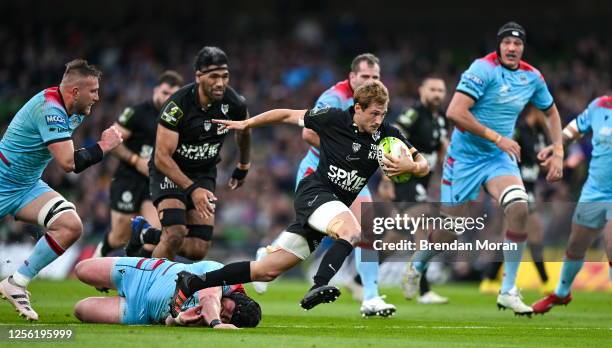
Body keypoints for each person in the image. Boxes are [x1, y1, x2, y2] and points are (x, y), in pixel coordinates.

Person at [168, 80, 429, 317]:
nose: (378, 119)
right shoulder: (332, 118)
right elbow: (286, 114)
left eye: (383, 113)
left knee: (265, 271)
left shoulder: (387, 134)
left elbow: (423, 162)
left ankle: (192, 282)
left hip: (332, 207)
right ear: (357, 108)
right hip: (314, 193)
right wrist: (248, 124)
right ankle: (320, 284)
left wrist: (412, 168)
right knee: (352, 231)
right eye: (374, 113)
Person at [401, 21, 564, 316]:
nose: (512, 48)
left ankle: (508, 290)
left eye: (518, 44)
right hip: (464, 158)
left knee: (518, 208)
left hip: (498, 159)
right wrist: (498, 137)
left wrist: (559, 152)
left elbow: (551, 112)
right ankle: (419, 263)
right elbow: (454, 112)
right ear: (499, 46)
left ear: (523, 48)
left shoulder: (532, 77)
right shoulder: (482, 69)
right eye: (507, 43)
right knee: (452, 230)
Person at [253, 53, 397, 317]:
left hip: (350, 175)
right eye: (365, 76)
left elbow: (384, 144)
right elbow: (308, 132)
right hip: (320, 171)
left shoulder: (374, 102)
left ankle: (371, 296)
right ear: (352, 77)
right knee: (311, 232)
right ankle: (269, 258)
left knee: (368, 227)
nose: (370, 81)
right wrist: (348, 153)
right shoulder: (334, 98)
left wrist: (385, 174)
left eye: (375, 77)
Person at [0, 59, 123, 320]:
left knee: (70, 225)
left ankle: (16, 282)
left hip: (26, 186)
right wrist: (104, 146)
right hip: (3, 182)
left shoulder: (76, 109)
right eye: (93, 91)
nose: (98, 97)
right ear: (75, 91)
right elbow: (68, 163)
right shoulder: (51, 109)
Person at [127, 46, 251, 261]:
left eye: (225, 76)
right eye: (213, 76)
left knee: (197, 249)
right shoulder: (176, 106)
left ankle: (146, 234)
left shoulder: (235, 104)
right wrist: (192, 189)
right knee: (175, 235)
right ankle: (149, 288)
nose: (220, 83)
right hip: (170, 171)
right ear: (198, 76)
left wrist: (243, 166)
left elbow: (244, 131)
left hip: (203, 173)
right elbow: (161, 157)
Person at [532, 95, 612, 314]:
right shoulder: (599, 106)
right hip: (594, 192)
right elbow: (574, 129)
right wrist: (556, 148)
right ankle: (561, 292)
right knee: (576, 245)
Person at [94, 71, 183, 257]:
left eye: (173, 94)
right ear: (156, 90)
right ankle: (101, 251)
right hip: (129, 177)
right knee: (120, 236)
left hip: (156, 180)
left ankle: (137, 277)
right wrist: (135, 160)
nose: (168, 98)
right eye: (165, 93)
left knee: (153, 234)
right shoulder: (137, 112)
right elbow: (112, 140)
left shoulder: (180, 118)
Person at [389, 76, 450, 304]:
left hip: (423, 180)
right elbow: (393, 134)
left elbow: (442, 146)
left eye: (441, 90)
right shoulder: (414, 113)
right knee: (423, 224)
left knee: (397, 236)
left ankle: (359, 276)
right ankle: (423, 289)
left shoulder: (441, 118)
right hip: (407, 178)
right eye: (432, 89)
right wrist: (388, 177)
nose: (437, 94)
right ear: (421, 90)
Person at [479, 106, 553, 294]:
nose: (547, 118)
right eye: (544, 113)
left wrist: (551, 164)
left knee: (512, 234)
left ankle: (490, 279)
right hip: (515, 186)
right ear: (533, 111)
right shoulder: (517, 130)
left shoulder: (540, 134)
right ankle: (545, 282)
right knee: (532, 231)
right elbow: (500, 154)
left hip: (530, 187)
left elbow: (539, 162)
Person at [73, 257, 261, 328]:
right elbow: (209, 296)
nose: (220, 312)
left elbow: (170, 321)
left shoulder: (202, 320)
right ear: (232, 295)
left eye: (225, 318)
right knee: (82, 270)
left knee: (81, 310)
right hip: (145, 274)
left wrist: (177, 321)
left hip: (139, 312)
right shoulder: (219, 274)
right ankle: (143, 244)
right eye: (225, 308)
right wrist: (217, 324)